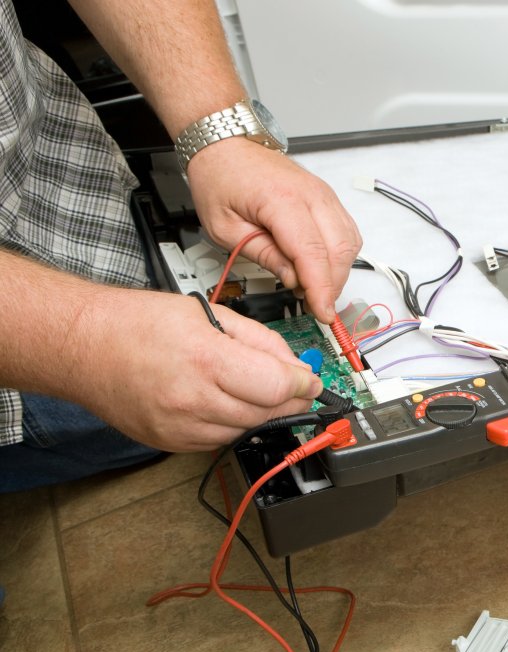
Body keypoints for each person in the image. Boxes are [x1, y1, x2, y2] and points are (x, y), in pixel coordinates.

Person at [0, 0, 362, 491]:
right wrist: (82, 340)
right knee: (128, 434)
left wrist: (219, 135)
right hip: (19, 383)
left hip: (69, 185)